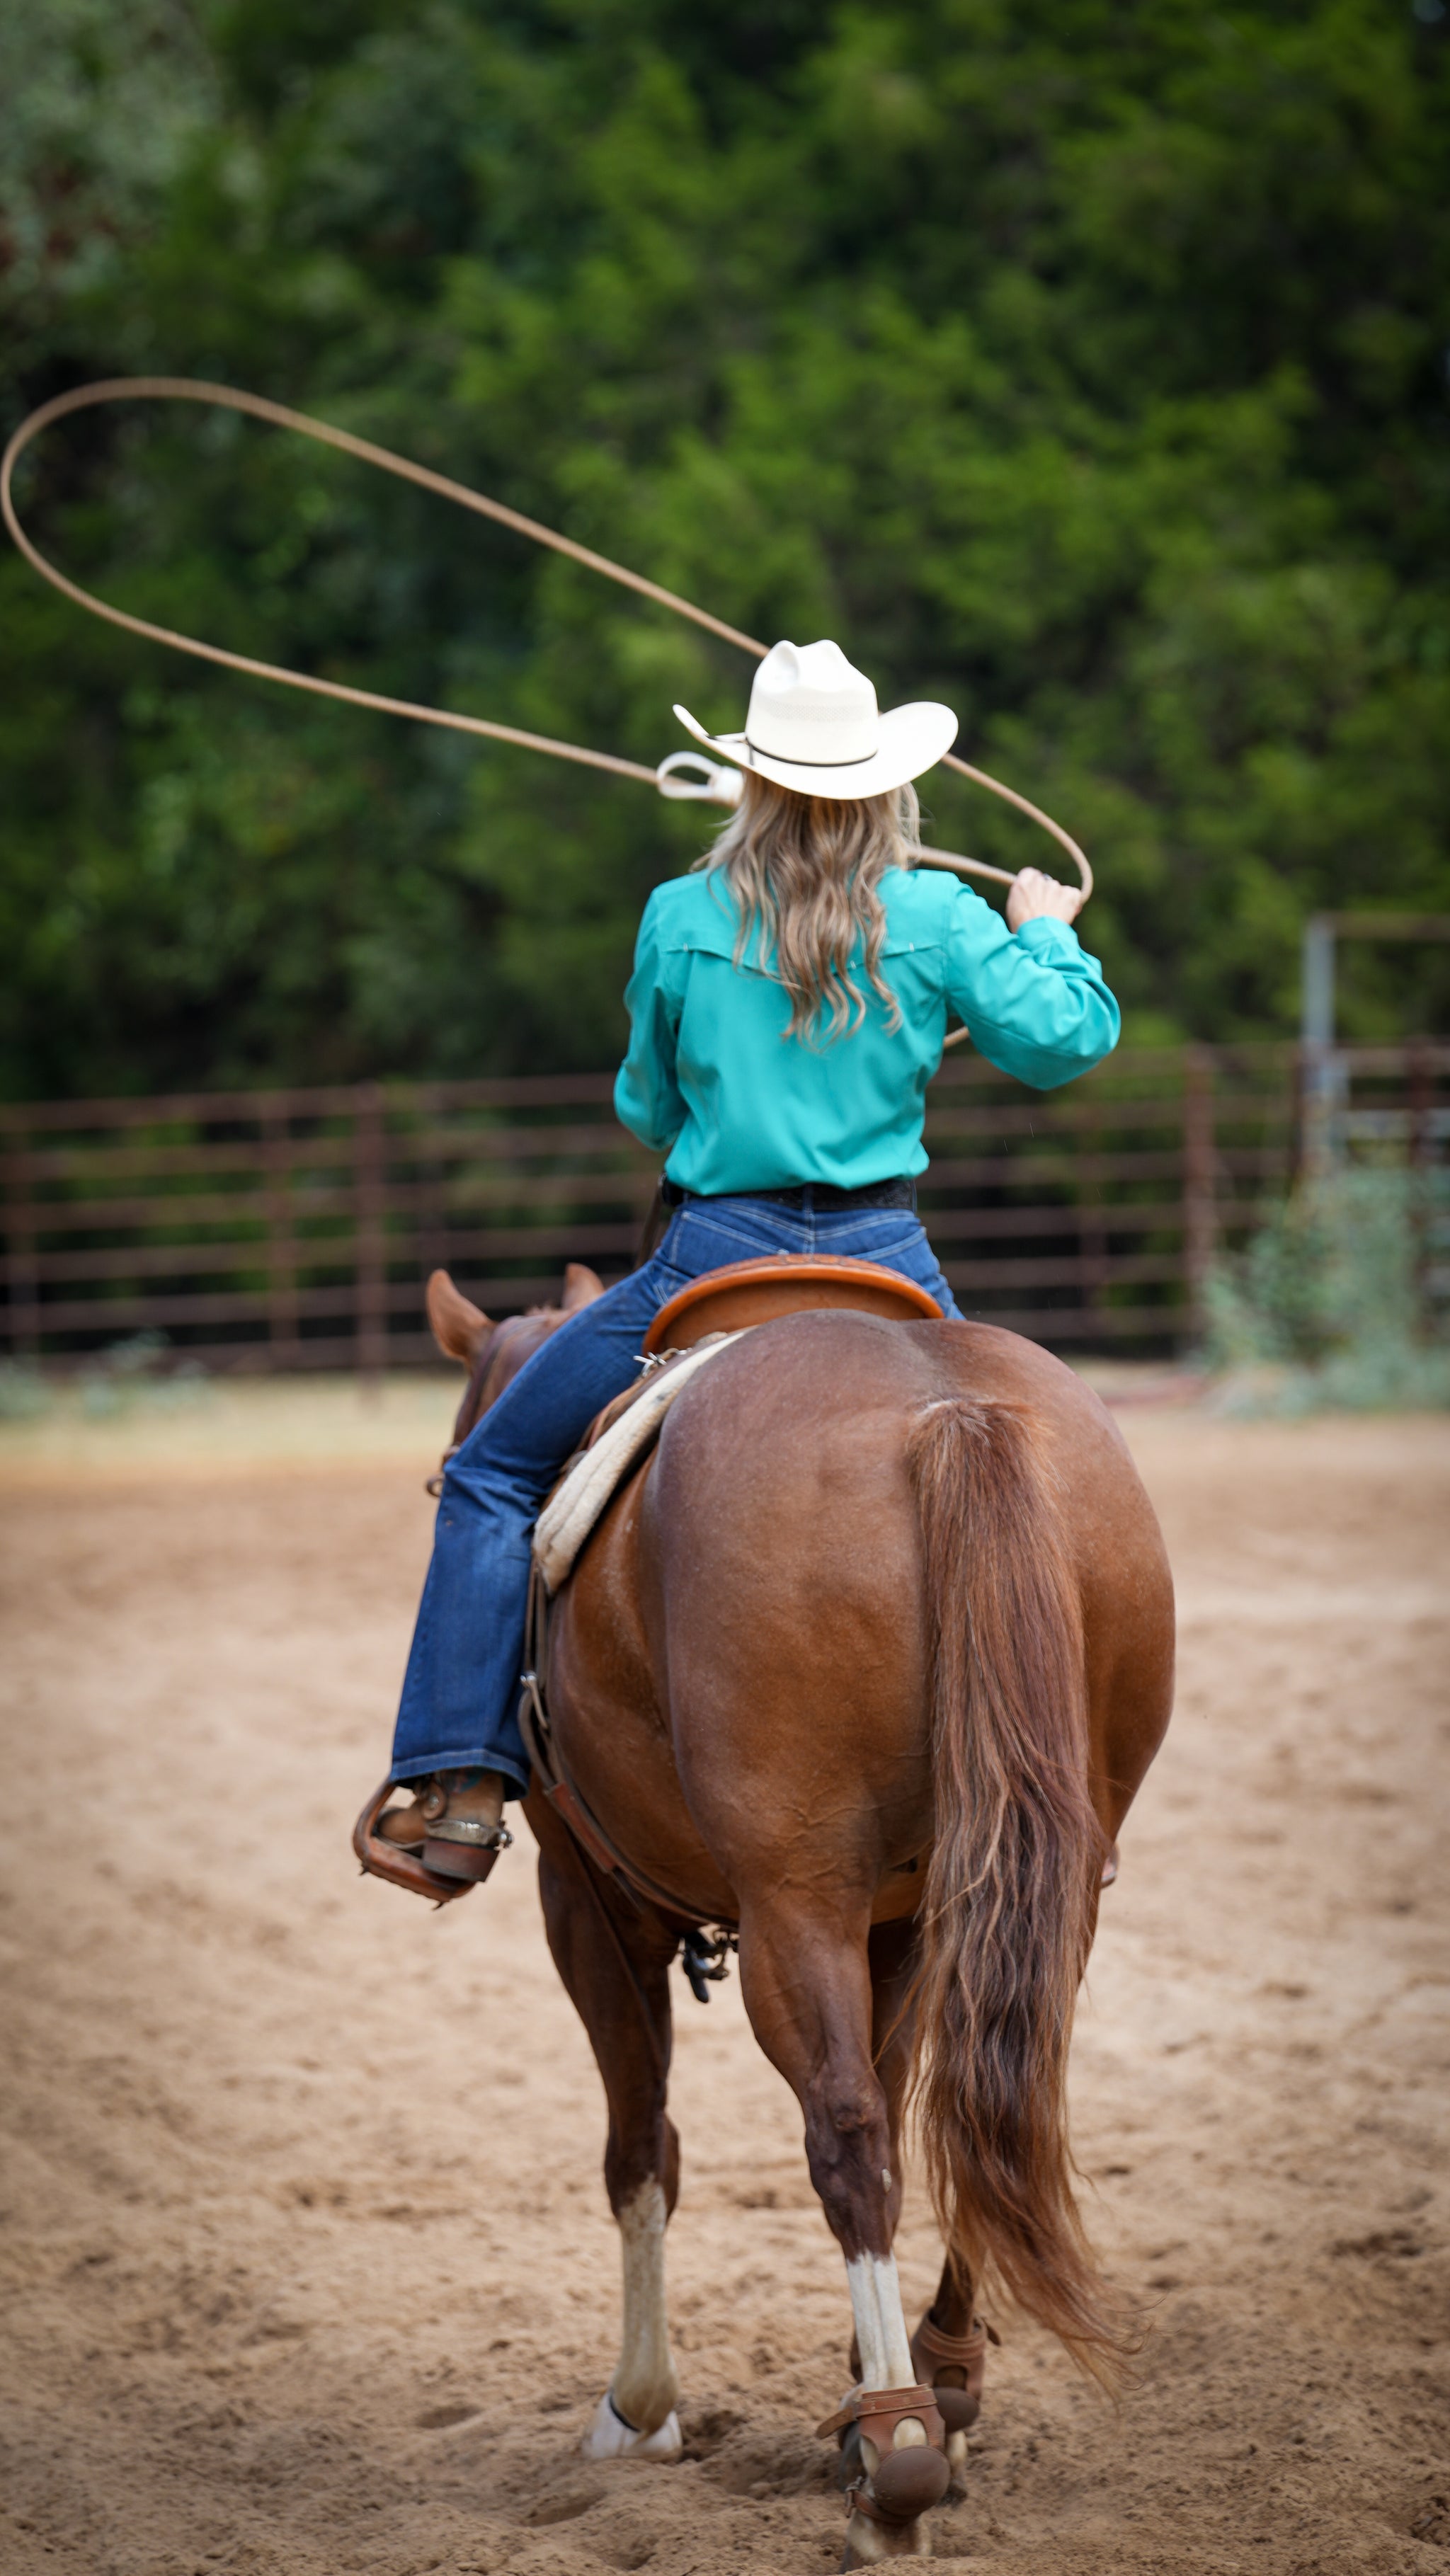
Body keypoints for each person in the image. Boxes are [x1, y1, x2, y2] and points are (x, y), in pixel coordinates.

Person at [370, 639, 1119, 1890]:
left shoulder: (680, 917)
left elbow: (647, 1109)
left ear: (755, 782)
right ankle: (1061, 1796)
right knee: (1016, 1486)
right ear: (886, 783)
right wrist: (1044, 935)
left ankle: (457, 1786)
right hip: (891, 1253)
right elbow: (1069, 1041)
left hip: (714, 1254)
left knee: (496, 1478)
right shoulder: (938, 912)